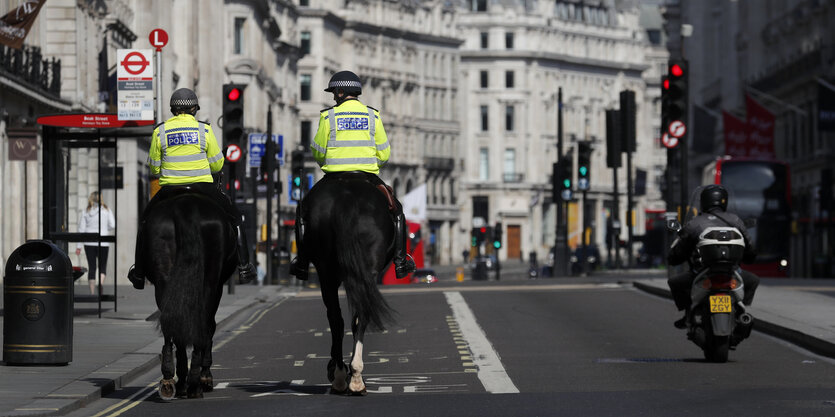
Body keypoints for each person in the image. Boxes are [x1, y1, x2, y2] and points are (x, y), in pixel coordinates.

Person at [288, 70, 416, 280]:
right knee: (397, 211)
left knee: (303, 211)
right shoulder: (372, 115)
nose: (333, 97)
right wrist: (372, 164)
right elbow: (384, 152)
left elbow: (318, 150)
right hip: (367, 175)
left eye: (333, 93)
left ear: (340, 92)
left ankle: (302, 262)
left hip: (334, 177)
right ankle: (402, 260)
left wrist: (326, 164)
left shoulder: (328, 116)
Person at [127, 88, 256, 289]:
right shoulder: (204, 130)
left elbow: (153, 165)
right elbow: (217, 165)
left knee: (145, 222)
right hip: (203, 186)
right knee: (236, 218)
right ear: (194, 109)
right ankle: (244, 267)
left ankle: (139, 273)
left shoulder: (160, 130)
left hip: (170, 189)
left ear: (172, 109)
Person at [667, 185, 760, 329]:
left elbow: (681, 249)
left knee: (675, 282)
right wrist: (749, 258)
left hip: (703, 272)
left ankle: (687, 315)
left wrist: (674, 258)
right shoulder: (735, 220)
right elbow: (750, 246)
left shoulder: (695, 223)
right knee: (753, 280)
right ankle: (741, 312)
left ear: (704, 201)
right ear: (724, 201)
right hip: (732, 272)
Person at [76, 191, 116, 295]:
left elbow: (81, 229)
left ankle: (92, 292)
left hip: (89, 242)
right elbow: (112, 224)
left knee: (92, 267)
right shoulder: (106, 210)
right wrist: (104, 229)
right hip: (103, 242)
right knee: (103, 266)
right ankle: (101, 282)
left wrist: (79, 246)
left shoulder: (86, 211)